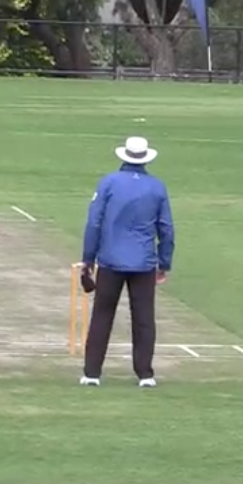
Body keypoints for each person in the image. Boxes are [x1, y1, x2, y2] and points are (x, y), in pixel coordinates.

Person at [78, 136, 175, 388]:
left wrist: (88, 259)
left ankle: (92, 373)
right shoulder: (157, 187)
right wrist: (164, 262)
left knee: (102, 315)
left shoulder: (109, 182)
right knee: (144, 318)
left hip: (110, 260)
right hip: (144, 262)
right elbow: (166, 228)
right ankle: (145, 374)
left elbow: (94, 222)